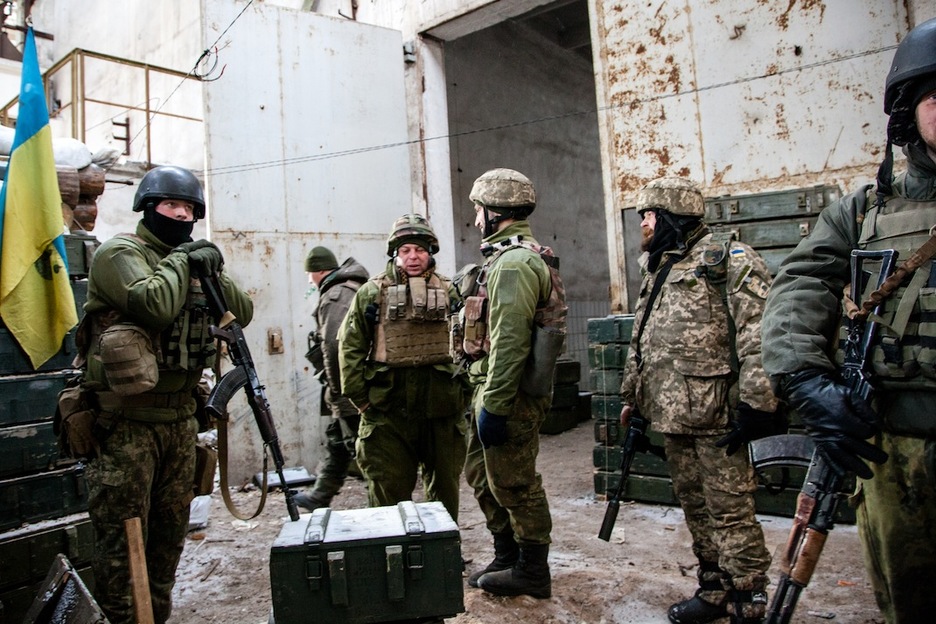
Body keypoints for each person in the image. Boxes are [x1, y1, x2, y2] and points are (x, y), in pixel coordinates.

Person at [761, 17, 936, 623]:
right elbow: (800, 285)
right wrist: (807, 381)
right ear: (907, 112)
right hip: (893, 452)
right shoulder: (861, 213)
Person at [78, 165, 253, 624]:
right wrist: (183, 259)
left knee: (168, 541)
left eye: (190, 209)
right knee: (122, 547)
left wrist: (213, 270)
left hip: (178, 425)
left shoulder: (192, 259)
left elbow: (244, 311)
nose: (181, 216)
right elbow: (151, 305)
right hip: (125, 427)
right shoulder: (120, 253)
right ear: (147, 207)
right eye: (171, 206)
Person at [619, 177, 779, 624]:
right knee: (694, 504)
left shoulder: (730, 258)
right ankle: (713, 588)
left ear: (670, 217)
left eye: (648, 216)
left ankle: (749, 598)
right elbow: (642, 337)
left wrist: (757, 403)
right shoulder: (660, 266)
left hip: (718, 414)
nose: (644, 225)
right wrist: (633, 396)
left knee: (731, 510)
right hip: (672, 412)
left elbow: (758, 335)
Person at [460, 168, 566, 599]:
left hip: (509, 393)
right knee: (481, 476)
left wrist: (497, 406)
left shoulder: (515, 264)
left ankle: (532, 571)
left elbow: (509, 343)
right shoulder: (508, 257)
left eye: (477, 210)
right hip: (492, 387)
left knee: (514, 483)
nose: (474, 220)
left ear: (494, 211)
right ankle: (507, 556)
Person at [337, 214, 467, 521]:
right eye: (406, 250)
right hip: (388, 412)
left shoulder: (450, 292)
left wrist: (465, 392)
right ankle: (391, 563)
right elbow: (349, 345)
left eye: (419, 250)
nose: (412, 257)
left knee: (444, 494)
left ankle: (442, 558)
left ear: (430, 252)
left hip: (442, 410)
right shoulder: (371, 293)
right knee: (387, 494)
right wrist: (361, 399)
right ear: (395, 253)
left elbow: (470, 344)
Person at [294, 246, 369, 512]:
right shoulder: (350, 287)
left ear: (320, 271)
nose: (309, 280)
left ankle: (381, 507)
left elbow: (335, 345)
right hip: (353, 384)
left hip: (349, 388)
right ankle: (320, 495)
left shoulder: (336, 294)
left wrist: (340, 392)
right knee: (338, 440)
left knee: (366, 452)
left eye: (309, 274)